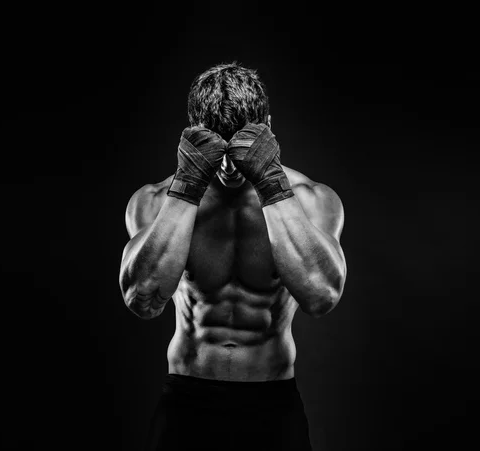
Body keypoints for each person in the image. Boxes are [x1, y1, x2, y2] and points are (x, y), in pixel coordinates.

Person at [120, 62, 347, 451]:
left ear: (267, 127)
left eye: (239, 145)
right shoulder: (156, 202)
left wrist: (271, 185)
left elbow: (322, 296)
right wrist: (188, 186)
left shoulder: (310, 200)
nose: (228, 165)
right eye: (216, 146)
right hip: (187, 403)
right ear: (193, 134)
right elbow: (143, 299)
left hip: (271, 405)